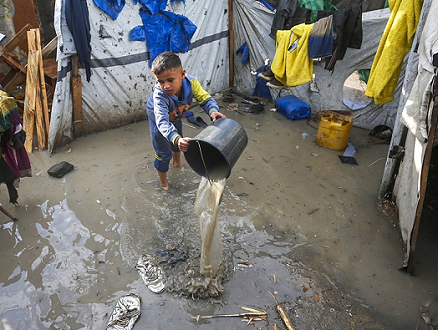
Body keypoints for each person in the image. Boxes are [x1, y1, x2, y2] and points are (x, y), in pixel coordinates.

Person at [146, 51, 226, 190]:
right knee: (163, 152)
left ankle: (177, 163)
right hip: (159, 119)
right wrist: (175, 138)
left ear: (182, 74)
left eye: (170, 80)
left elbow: (205, 99)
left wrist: (213, 111)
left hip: (177, 115)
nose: (166, 86)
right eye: (161, 81)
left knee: (180, 139)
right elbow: (162, 122)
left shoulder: (191, 83)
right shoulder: (159, 96)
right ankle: (163, 182)